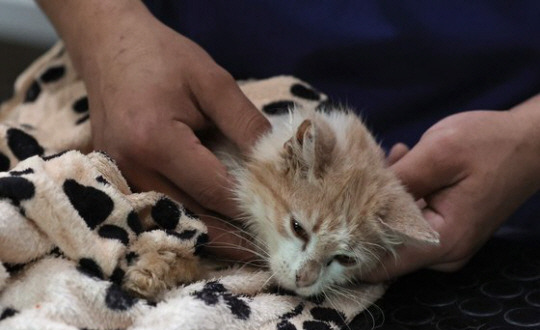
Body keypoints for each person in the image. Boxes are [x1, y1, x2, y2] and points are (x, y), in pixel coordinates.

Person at [37, 0, 540, 281]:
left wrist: (529, 141)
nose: (305, 277)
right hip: (157, 83)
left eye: (339, 259)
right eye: (300, 231)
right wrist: (104, 28)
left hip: (496, 198)